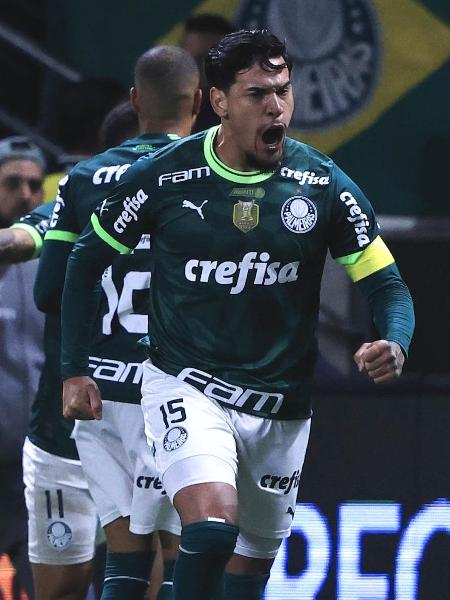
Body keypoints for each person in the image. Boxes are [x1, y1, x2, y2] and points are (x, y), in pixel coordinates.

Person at [59, 30, 415, 600]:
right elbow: (85, 260)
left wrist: (395, 341)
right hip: (186, 384)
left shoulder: (321, 183)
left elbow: (389, 287)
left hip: (281, 405)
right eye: (257, 94)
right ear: (218, 101)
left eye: (283, 91)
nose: (277, 108)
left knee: (248, 578)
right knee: (211, 525)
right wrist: (75, 366)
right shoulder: (165, 176)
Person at [35, 45, 202, 600]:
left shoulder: (83, 180)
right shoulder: (218, 180)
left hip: (102, 394)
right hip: (186, 393)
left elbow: (48, 292)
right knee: (182, 559)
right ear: (201, 102)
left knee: (126, 563)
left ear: (135, 101)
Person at [0, 137, 47, 600]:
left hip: (32, 468)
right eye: (12, 183)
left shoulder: (50, 265)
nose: (26, 194)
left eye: (34, 184)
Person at [180, 13, 234, 132]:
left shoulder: (245, 115)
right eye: (192, 59)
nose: (203, 69)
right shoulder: (158, 110)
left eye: (208, 60)